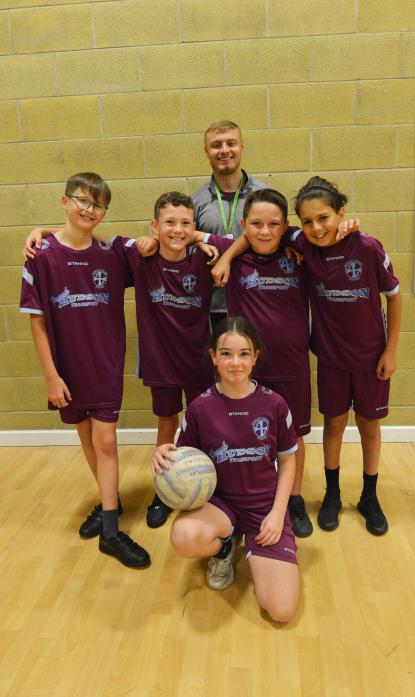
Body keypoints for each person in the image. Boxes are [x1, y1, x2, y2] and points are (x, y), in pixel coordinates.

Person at [23, 192, 220, 532]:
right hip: (162, 362)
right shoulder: (138, 256)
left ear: (194, 227)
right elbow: (86, 234)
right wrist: (43, 230)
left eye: (185, 223)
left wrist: (200, 238)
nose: (177, 230)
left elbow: (243, 240)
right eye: (169, 223)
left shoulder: (205, 258)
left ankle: (210, 488)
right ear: (155, 226)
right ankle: (164, 489)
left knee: (207, 424)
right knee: (166, 424)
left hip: (200, 360)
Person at [19, 172, 150, 568]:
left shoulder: (110, 255)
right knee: (86, 437)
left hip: (105, 363)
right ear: (64, 201)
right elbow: (37, 320)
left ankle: (110, 530)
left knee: (106, 441)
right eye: (82, 200)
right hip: (66, 369)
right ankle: (111, 500)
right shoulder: (41, 256)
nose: (89, 209)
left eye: (98, 205)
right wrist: (50, 376)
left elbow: (153, 249)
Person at [152, 316, 300, 624]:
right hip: (220, 504)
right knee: (183, 536)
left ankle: (257, 543)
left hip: (263, 506)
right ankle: (224, 550)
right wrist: (162, 455)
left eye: (244, 353)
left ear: (256, 356)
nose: (235, 362)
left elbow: (288, 461)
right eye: (226, 353)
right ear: (213, 357)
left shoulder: (275, 405)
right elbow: (181, 458)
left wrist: (277, 513)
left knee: (282, 611)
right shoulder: (200, 408)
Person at [193, 188, 313, 538]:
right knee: (246, 434)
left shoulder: (298, 250)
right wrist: (226, 255)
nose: (264, 231)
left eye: (273, 224)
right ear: (243, 225)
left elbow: (328, 234)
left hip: (292, 364)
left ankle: (294, 499)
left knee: (296, 436)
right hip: (246, 369)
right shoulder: (233, 251)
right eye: (256, 224)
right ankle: (242, 498)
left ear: (285, 226)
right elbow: (188, 232)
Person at [292, 176, 402, 535]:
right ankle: (333, 494)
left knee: (370, 427)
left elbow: (395, 296)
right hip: (331, 359)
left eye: (323, 217)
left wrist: (391, 349)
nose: (316, 227)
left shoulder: (367, 247)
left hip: (371, 360)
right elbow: (270, 233)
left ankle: (369, 497)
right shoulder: (305, 247)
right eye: (307, 221)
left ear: (341, 213)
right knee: (334, 426)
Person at [193, 120, 266, 326]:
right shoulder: (195, 202)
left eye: (231, 143)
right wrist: (197, 242)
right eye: (216, 145)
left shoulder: (265, 196)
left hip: (257, 300)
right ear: (206, 151)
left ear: (241, 146)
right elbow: (185, 243)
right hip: (214, 306)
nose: (224, 150)